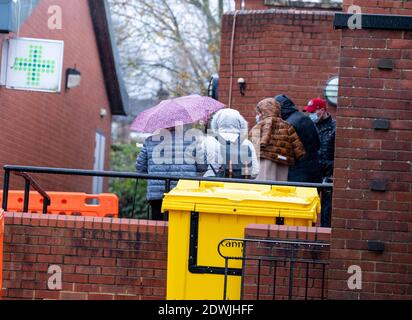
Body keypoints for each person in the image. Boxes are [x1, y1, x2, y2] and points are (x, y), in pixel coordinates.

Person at [136, 125, 197, 220]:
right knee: (182, 229)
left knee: (158, 228)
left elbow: (140, 167)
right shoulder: (191, 140)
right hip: (184, 193)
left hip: (157, 195)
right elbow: (203, 166)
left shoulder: (150, 141)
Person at [250, 98, 306, 181]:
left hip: (265, 159)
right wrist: (300, 154)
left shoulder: (261, 124)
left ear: (263, 112)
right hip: (284, 160)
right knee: (280, 185)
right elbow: (296, 144)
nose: (257, 116)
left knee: (264, 183)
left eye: (258, 113)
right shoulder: (287, 125)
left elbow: (252, 145)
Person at [274, 94, 322, 183]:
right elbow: (317, 144)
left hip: (297, 173)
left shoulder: (288, 123)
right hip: (314, 170)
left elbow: (285, 152)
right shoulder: (304, 118)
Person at [304, 98, 336, 227]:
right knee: (309, 207)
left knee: (327, 211)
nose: (310, 114)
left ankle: (325, 237)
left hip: (328, 174)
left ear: (322, 110)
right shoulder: (310, 126)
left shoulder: (334, 128)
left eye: (313, 111)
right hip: (313, 174)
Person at [209, 108, 260, 179]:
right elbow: (255, 171)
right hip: (241, 185)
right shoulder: (247, 143)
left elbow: (207, 169)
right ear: (240, 122)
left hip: (215, 186)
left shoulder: (211, 141)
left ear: (217, 122)